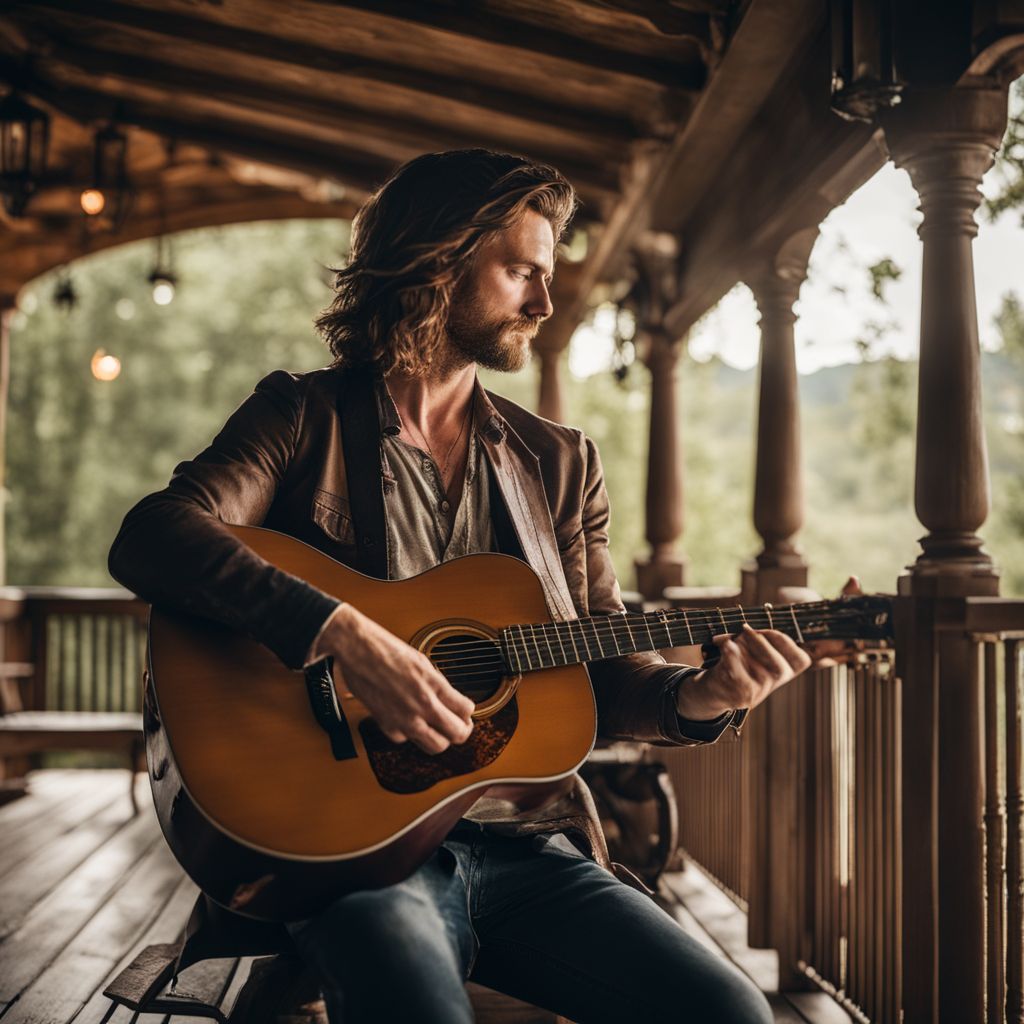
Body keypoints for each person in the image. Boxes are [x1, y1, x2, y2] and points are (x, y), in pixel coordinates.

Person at [109, 149, 822, 1023]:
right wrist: (343, 633)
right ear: (436, 262)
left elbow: (595, 668)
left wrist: (701, 697)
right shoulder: (304, 418)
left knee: (730, 1013)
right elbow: (154, 534)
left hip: (531, 850)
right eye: (521, 269)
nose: (545, 301)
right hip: (361, 852)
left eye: (547, 274)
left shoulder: (558, 465)